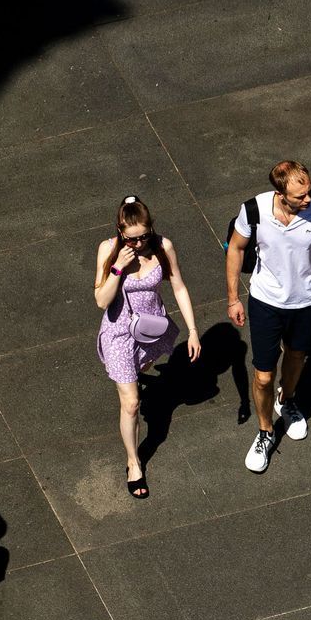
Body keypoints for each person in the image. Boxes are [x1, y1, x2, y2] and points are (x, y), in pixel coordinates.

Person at [224, 160, 311, 473]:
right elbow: (236, 249)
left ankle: (287, 398)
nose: (309, 199)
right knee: (263, 376)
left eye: (309, 191)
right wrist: (232, 299)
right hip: (265, 302)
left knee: (296, 358)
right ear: (280, 194)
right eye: (300, 196)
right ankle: (266, 432)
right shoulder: (254, 210)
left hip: (306, 303)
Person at [94, 195, 202, 498]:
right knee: (131, 403)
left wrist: (193, 331)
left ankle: (137, 374)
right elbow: (101, 301)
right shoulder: (109, 249)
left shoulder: (162, 247)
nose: (139, 244)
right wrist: (117, 268)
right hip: (118, 332)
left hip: (151, 327)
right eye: (131, 239)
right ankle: (133, 462)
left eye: (144, 236)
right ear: (119, 230)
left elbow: (178, 285)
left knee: (143, 368)